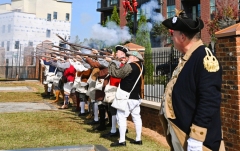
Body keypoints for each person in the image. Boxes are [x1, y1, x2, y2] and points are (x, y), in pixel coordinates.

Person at [160, 10, 225, 151]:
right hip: (180, 132)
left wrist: (196, 138)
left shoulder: (204, 57)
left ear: (182, 37)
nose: (172, 39)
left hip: (198, 141)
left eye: (173, 35)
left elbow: (209, 100)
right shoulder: (188, 57)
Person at [107, 51, 144, 147]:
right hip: (136, 97)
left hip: (126, 96)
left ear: (135, 57)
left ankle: (122, 141)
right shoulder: (142, 66)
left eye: (129, 56)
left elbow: (116, 73)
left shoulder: (131, 66)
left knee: (121, 117)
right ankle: (138, 139)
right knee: (137, 117)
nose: (127, 57)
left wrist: (112, 62)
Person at [101, 45, 129, 138]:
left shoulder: (124, 63)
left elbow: (118, 68)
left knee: (116, 111)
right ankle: (115, 129)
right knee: (113, 110)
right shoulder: (117, 62)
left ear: (122, 53)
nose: (116, 53)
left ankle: (115, 130)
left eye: (118, 52)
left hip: (118, 88)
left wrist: (112, 60)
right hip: (113, 88)